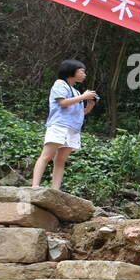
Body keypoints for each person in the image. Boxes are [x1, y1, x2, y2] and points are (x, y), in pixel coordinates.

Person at [32, 59, 96, 190]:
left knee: (61, 160)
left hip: (73, 128)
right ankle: (35, 186)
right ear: (71, 71)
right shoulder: (60, 84)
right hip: (59, 125)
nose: (84, 74)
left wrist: (90, 105)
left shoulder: (77, 92)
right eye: (82, 71)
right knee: (46, 156)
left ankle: (55, 189)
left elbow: (80, 113)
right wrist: (84, 97)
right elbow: (63, 102)